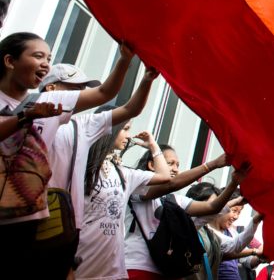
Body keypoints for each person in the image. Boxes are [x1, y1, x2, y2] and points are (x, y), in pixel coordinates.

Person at [0, 32, 134, 274]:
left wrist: (124, 59)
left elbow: (104, 94)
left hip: (32, 219)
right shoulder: (34, 106)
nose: (45, 63)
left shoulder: (48, 100)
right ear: (10, 61)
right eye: (38, 56)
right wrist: (25, 117)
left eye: (48, 58)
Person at [40, 51, 158, 278]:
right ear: (51, 90)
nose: (81, 96)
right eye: (73, 89)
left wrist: (143, 77)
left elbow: (128, 108)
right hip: (25, 218)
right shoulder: (25, 114)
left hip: (62, 227)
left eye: (82, 90)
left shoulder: (83, 125)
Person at [76, 122, 172, 280]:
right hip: (81, 260)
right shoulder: (80, 165)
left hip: (113, 268)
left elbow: (165, 176)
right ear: (107, 129)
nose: (128, 136)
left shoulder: (124, 174)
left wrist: (153, 146)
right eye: (125, 129)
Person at [125, 147, 234, 280]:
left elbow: (212, 207)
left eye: (178, 165)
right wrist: (213, 164)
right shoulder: (137, 189)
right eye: (170, 163)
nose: (176, 169)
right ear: (152, 165)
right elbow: (171, 184)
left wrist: (234, 183)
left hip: (166, 271)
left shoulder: (171, 200)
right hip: (137, 267)